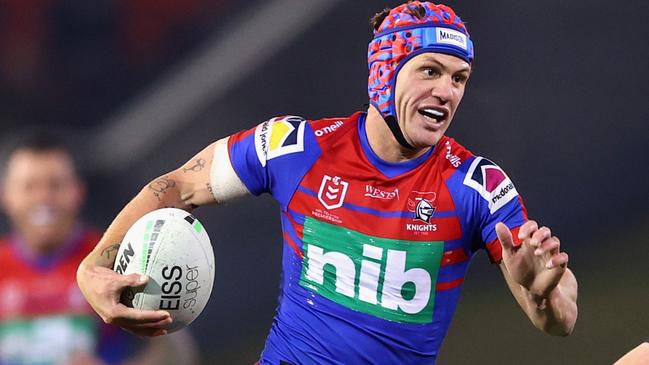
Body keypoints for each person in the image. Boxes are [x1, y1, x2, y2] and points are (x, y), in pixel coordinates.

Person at [76, 1, 578, 363]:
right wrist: (93, 267)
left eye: (459, 78)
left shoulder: (478, 185)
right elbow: (177, 187)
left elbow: (561, 320)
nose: (445, 91)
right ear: (385, 71)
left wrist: (541, 295)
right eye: (430, 70)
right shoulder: (296, 147)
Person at [0, 133, 198, 365]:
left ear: (77, 191)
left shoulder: (121, 259)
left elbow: (179, 356)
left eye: (55, 185)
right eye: (29, 186)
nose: (44, 197)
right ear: (6, 195)